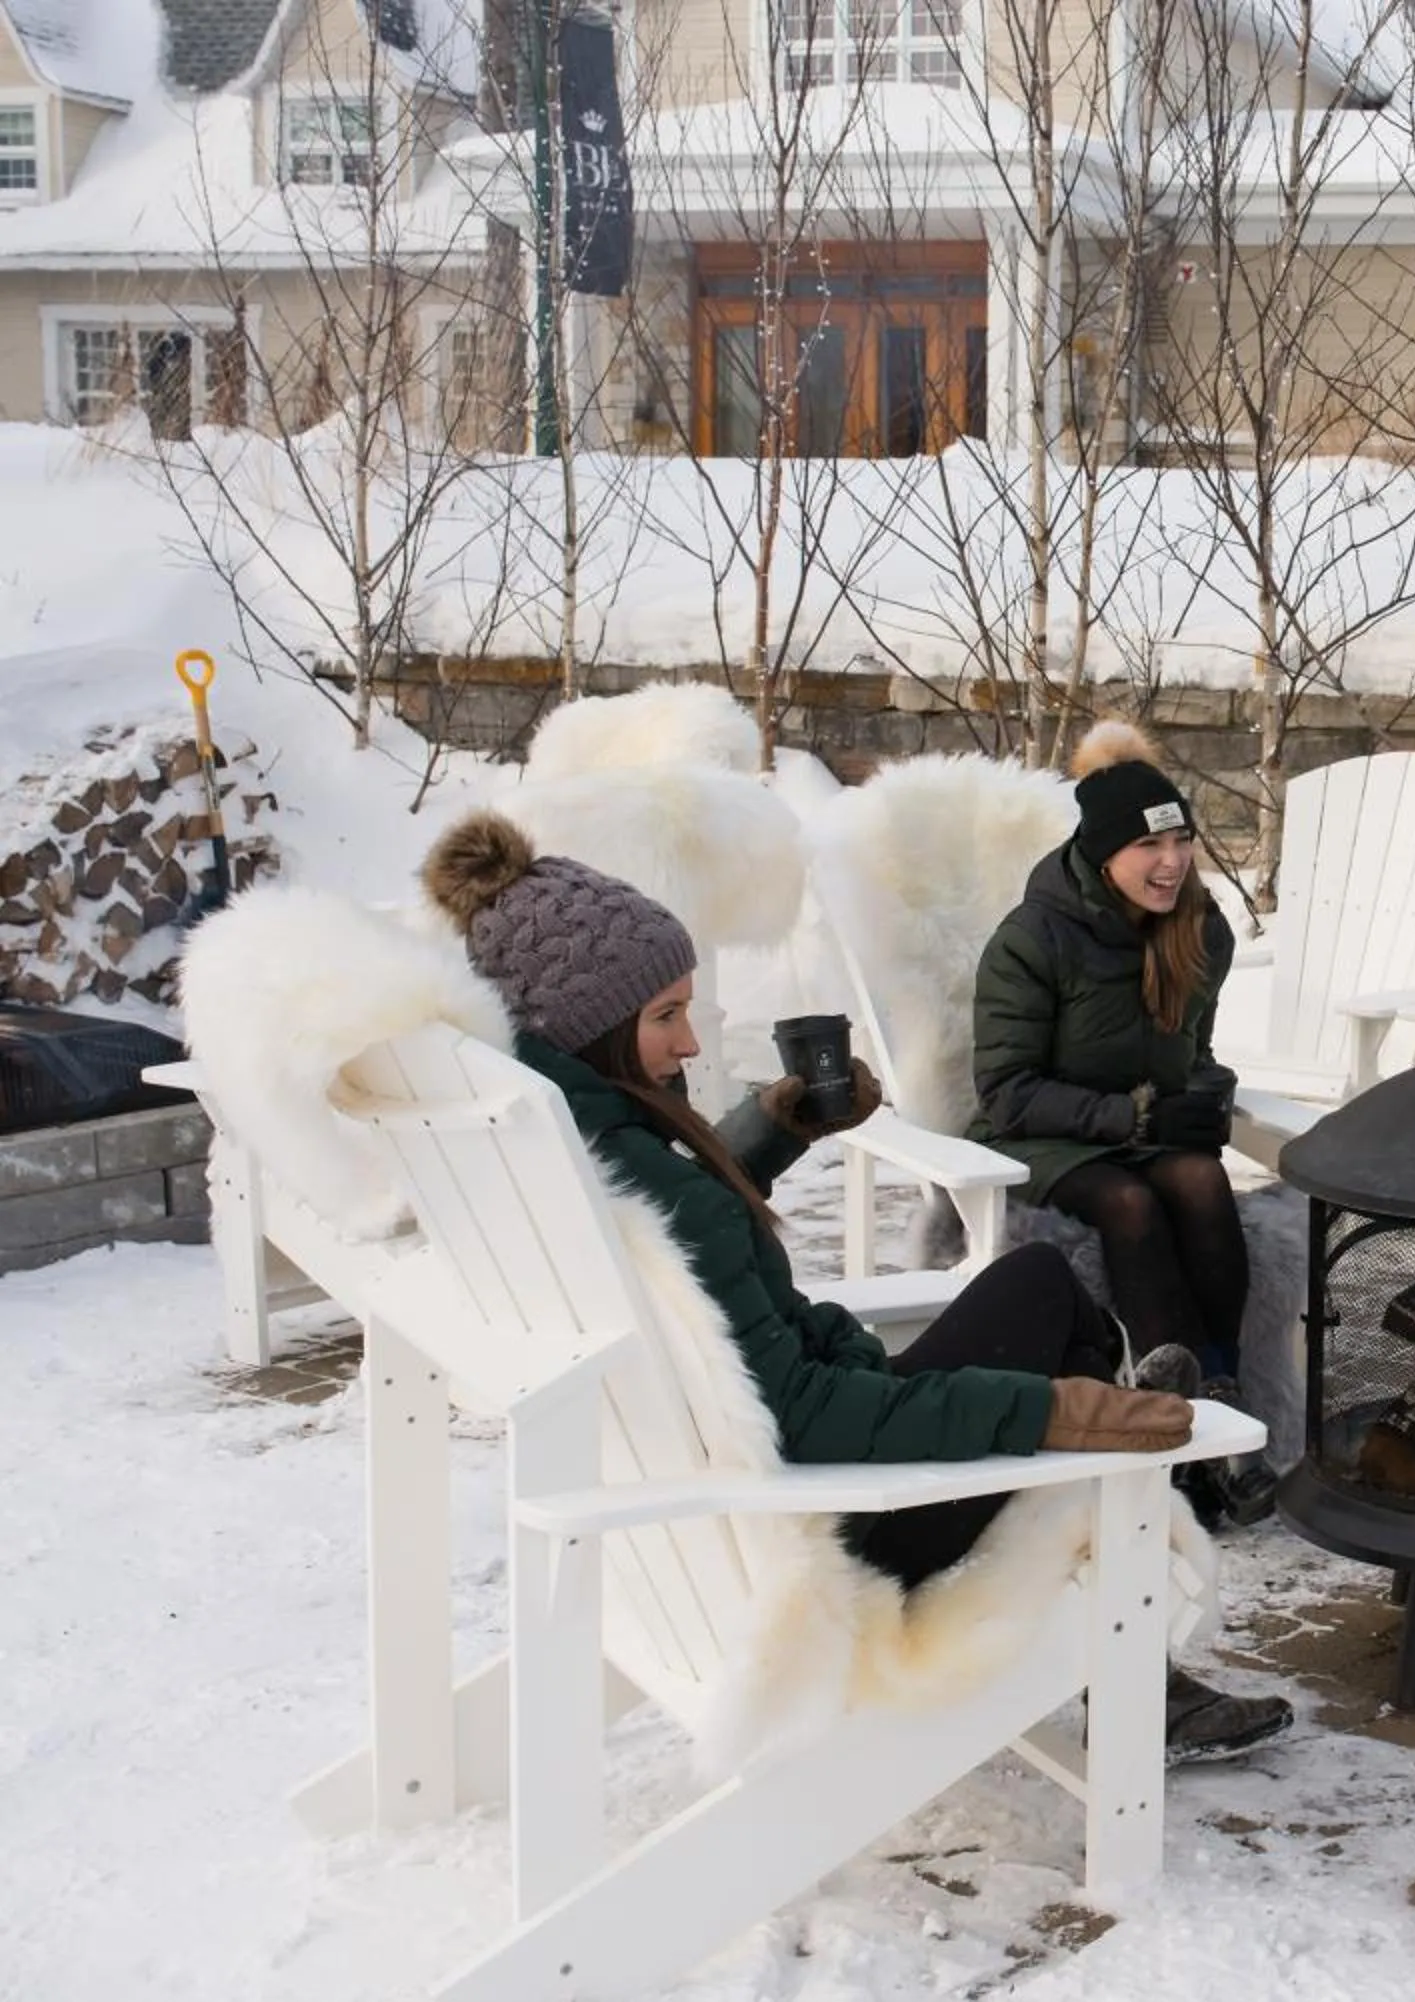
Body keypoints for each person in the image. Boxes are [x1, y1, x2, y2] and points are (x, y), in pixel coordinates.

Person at [420, 809, 1291, 1763]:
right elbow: (805, 1414)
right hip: (839, 1531)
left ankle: (1118, 1435)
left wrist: (777, 1131)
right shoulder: (660, 1192)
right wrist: (1054, 1412)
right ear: (587, 1034)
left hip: (712, 1527)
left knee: (1037, 1283)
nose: (690, 1045)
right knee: (1061, 1332)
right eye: (664, 1017)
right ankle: (1137, 1655)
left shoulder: (580, 1156)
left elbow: (715, 1269)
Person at [971, 720, 1270, 1525]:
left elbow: (1196, 1049)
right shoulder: (1033, 939)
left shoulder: (1199, 930)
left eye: (1182, 844)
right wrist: (1133, 1112)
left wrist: (1202, 1094)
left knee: (1202, 1179)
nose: (1171, 863)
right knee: (1131, 1205)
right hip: (1042, 1138)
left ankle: (1220, 1396)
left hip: (1140, 1131)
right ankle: (1171, 1430)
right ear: (1104, 854)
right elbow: (1004, 1090)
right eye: (1149, 848)